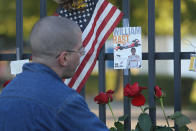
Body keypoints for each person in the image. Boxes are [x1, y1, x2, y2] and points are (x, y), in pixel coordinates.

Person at [0, 16, 109, 131]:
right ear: (64, 58)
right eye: (80, 50)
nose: (81, 55)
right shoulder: (66, 101)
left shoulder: (7, 93)